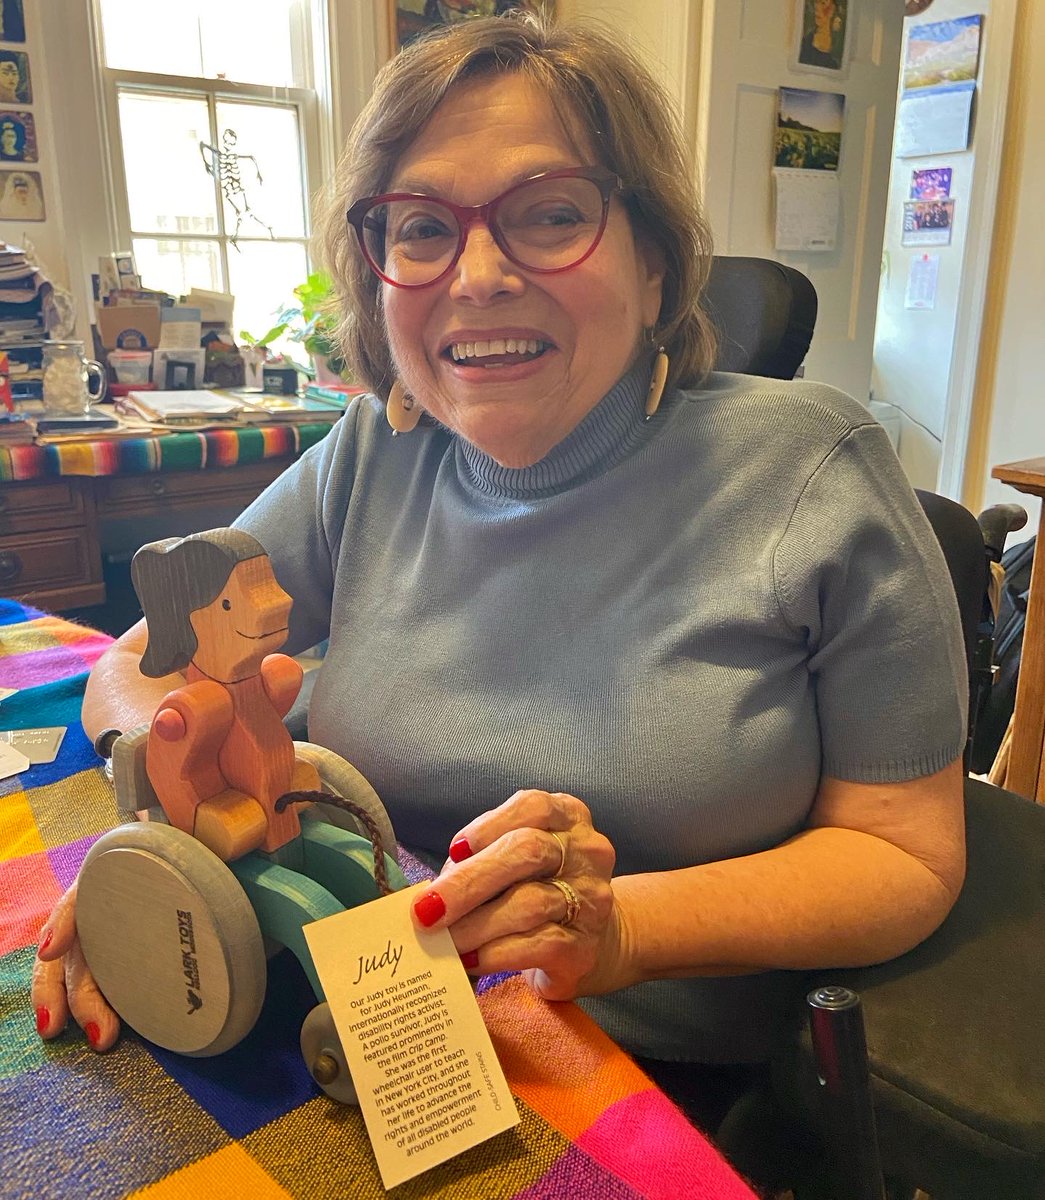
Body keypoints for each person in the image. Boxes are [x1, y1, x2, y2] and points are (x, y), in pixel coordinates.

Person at [34, 11, 966, 1164]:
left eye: (552, 213)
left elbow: (906, 857)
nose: (477, 274)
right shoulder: (373, 453)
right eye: (421, 226)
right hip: (342, 1001)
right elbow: (144, 659)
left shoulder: (813, 471)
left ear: (657, 257)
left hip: (643, 1076)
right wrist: (167, 836)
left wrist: (618, 929)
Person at [798, 0, 844, 70]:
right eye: (816, 2)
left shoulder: (838, 46)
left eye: (823, 3)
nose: (817, 8)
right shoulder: (805, 42)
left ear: (832, 9)